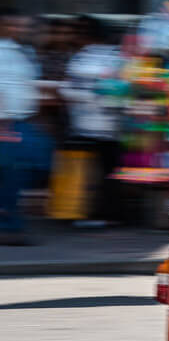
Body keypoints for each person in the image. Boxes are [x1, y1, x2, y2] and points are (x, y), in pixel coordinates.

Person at [60, 15, 126, 228]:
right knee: (110, 172)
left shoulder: (81, 58)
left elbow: (70, 90)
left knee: (88, 173)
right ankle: (110, 215)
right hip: (113, 127)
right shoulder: (119, 57)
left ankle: (86, 214)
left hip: (86, 126)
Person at [0, 9, 41, 245]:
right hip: (7, 124)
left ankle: (11, 224)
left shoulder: (24, 52)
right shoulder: (4, 52)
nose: (19, 30)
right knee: (12, 174)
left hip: (19, 122)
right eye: (13, 25)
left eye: (23, 26)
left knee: (15, 174)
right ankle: (10, 226)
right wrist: (4, 124)